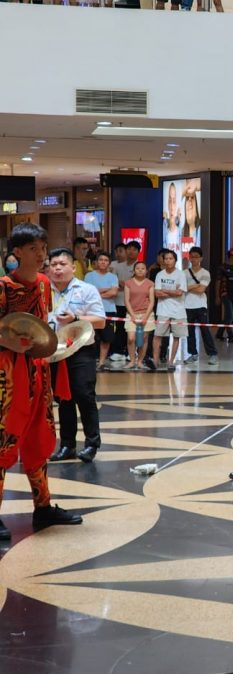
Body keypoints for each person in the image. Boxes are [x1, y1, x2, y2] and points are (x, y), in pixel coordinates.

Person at [0, 223, 83, 542]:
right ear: (16, 252)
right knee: (5, 440)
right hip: (8, 374)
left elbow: (43, 327)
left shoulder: (46, 284)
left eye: (43, 248)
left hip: (38, 371)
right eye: (33, 248)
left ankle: (43, 505)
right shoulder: (4, 287)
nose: (41, 254)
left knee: (39, 436)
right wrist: (8, 343)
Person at [47, 248, 107, 464]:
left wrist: (76, 318)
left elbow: (100, 320)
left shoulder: (86, 290)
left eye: (62, 264)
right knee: (63, 398)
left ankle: (92, 443)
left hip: (81, 350)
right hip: (54, 352)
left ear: (73, 267)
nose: (57, 268)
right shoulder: (43, 290)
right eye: (53, 264)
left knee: (84, 395)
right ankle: (67, 445)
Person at [152, 249, 188, 370]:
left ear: (175, 260)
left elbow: (179, 293)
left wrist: (165, 290)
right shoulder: (159, 274)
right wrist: (172, 291)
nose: (168, 261)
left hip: (178, 310)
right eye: (166, 258)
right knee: (157, 335)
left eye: (170, 258)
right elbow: (157, 293)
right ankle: (155, 361)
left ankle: (171, 362)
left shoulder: (181, 274)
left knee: (176, 336)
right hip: (162, 310)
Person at [84, 251, 119, 369]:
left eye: (106, 260)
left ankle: (102, 362)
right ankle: (92, 361)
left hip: (108, 310)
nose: (103, 262)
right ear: (96, 262)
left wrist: (97, 292)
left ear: (109, 263)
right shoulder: (89, 276)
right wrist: (106, 290)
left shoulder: (113, 277)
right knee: (92, 337)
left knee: (106, 338)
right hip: (91, 311)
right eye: (101, 260)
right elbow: (88, 293)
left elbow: (114, 293)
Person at [184, 246, 219, 366]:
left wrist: (189, 287)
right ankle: (193, 354)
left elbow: (201, 290)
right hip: (187, 305)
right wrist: (194, 286)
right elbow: (183, 289)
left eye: (196, 257)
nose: (194, 259)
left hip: (201, 305)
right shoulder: (184, 273)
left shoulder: (205, 273)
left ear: (201, 258)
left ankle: (212, 354)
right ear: (189, 258)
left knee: (205, 330)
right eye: (192, 257)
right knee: (190, 331)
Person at [112, 241, 141, 361]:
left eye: (134, 249)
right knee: (120, 328)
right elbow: (114, 282)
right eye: (129, 249)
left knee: (134, 329)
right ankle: (119, 352)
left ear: (138, 252)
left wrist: (126, 284)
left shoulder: (139, 266)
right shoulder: (118, 266)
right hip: (119, 301)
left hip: (134, 303)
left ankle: (133, 352)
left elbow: (137, 284)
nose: (131, 251)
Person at [125, 261, 156, 370]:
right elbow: (127, 301)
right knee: (131, 338)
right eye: (137, 268)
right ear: (134, 270)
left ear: (146, 271)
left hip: (146, 314)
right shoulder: (128, 283)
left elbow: (152, 301)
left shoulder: (150, 283)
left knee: (143, 338)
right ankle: (132, 361)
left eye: (143, 268)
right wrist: (132, 315)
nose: (140, 270)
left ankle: (140, 361)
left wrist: (146, 317)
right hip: (131, 314)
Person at [216, 248, 233, 343]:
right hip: (224, 293)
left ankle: (219, 334)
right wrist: (217, 296)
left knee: (227, 316)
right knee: (229, 315)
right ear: (232, 256)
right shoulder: (222, 268)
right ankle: (231, 336)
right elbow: (218, 282)